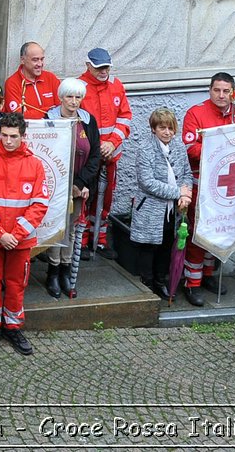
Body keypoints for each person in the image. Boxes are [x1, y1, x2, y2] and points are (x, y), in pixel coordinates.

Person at [0, 112, 49, 355]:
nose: (8, 141)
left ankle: (13, 327)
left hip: (19, 240)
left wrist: (15, 234)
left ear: (23, 136)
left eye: (13, 136)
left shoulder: (35, 164)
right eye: (4, 135)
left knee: (17, 284)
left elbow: (39, 205)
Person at [180, 71, 235, 306]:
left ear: (233, 93)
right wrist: (221, 147)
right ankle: (192, 282)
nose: (221, 95)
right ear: (210, 91)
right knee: (198, 233)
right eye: (216, 90)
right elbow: (190, 148)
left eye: (226, 91)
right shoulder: (196, 113)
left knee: (220, 230)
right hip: (203, 185)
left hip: (230, 186)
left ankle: (208, 274)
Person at [128, 107, 192, 302]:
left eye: (170, 128)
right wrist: (177, 192)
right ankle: (146, 284)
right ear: (154, 129)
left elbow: (187, 173)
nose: (167, 132)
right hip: (151, 208)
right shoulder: (145, 149)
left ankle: (160, 281)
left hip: (173, 208)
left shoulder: (179, 147)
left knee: (166, 245)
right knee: (149, 247)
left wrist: (185, 195)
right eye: (162, 127)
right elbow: (147, 182)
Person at [43, 78, 100, 298]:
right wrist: (64, 184)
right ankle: (53, 271)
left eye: (78, 97)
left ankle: (66, 271)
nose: (73, 101)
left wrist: (81, 184)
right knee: (57, 227)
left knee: (72, 229)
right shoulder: (49, 119)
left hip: (79, 187)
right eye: (69, 96)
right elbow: (45, 154)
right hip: (56, 186)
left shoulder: (88, 121)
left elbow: (94, 156)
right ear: (61, 97)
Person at [80, 48, 132, 256]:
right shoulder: (79, 88)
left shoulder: (116, 85)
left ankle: (100, 238)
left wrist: (112, 143)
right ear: (88, 66)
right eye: (99, 67)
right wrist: (96, 149)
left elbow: (125, 117)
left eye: (106, 67)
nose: (104, 71)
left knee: (106, 198)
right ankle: (82, 241)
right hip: (87, 158)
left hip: (111, 154)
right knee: (84, 198)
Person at [3, 41, 60, 120]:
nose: (40, 64)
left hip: (52, 130)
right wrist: (50, 110)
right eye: (35, 60)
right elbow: (18, 116)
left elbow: (61, 110)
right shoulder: (12, 83)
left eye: (42, 59)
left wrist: (30, 112)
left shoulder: (51, 78)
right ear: (23, 60)